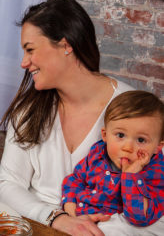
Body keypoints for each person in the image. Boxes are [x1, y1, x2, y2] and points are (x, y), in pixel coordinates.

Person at [0, 0, 134, 236]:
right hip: (37, 227)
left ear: (66, 45)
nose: (24, 62)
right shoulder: (28, 111)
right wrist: (55, 218)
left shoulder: (132, 110)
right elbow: (8, 186)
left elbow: (153, 202)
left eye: (30, 50)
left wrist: (94, 230)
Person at [61, 90, 164, 235]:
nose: (127, 148)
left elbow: (139, 218)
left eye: (141, 140)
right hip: (78, 218)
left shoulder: (156, 173)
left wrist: (131, 175)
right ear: (105, 135)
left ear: (158, 147)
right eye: (120, 135)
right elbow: (75, 179)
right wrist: (70, 208)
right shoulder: (98, 154)